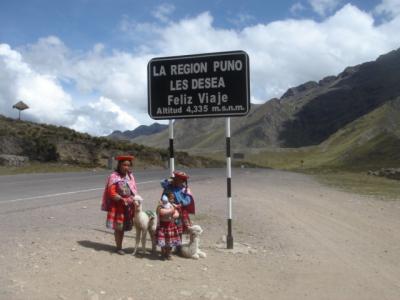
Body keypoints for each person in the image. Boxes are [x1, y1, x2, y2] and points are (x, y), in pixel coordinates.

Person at [101, 155, 137, 255]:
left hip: (128, 205)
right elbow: (111, 192)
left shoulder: (130, 176)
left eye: (128, 165)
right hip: (118, 206)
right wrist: (122, 199)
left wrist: (132, 199)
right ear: (119, 165)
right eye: (124, 165)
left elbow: (133, 190)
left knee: (123, 227)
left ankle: (119, 246)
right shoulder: (114, 176)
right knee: (119, 228)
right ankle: (119, 247)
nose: (126, 167)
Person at [160, 171, 195, 244]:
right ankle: (171, 244)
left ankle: (183, 245)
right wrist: (169, 181)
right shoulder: (169, 187)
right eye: (175, 179)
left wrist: (181, 204)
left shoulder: (185, 190)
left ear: (182, 181)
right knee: (170, 227)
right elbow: (162, 182)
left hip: (182, 210)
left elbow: (188, 200)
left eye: (179, 179)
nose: (176, 181)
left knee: (183, 228)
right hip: (170, 208)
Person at [155, 195, 180, 260]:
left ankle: (168, 254)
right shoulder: (160, 207)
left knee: (170, 241)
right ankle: (163, 254)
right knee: (163, 242)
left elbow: (176, 214)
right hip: (162, 226)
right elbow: (162, 212)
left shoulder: (171, 206)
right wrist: (172, 210)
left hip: (170, 226)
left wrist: (174, 212)